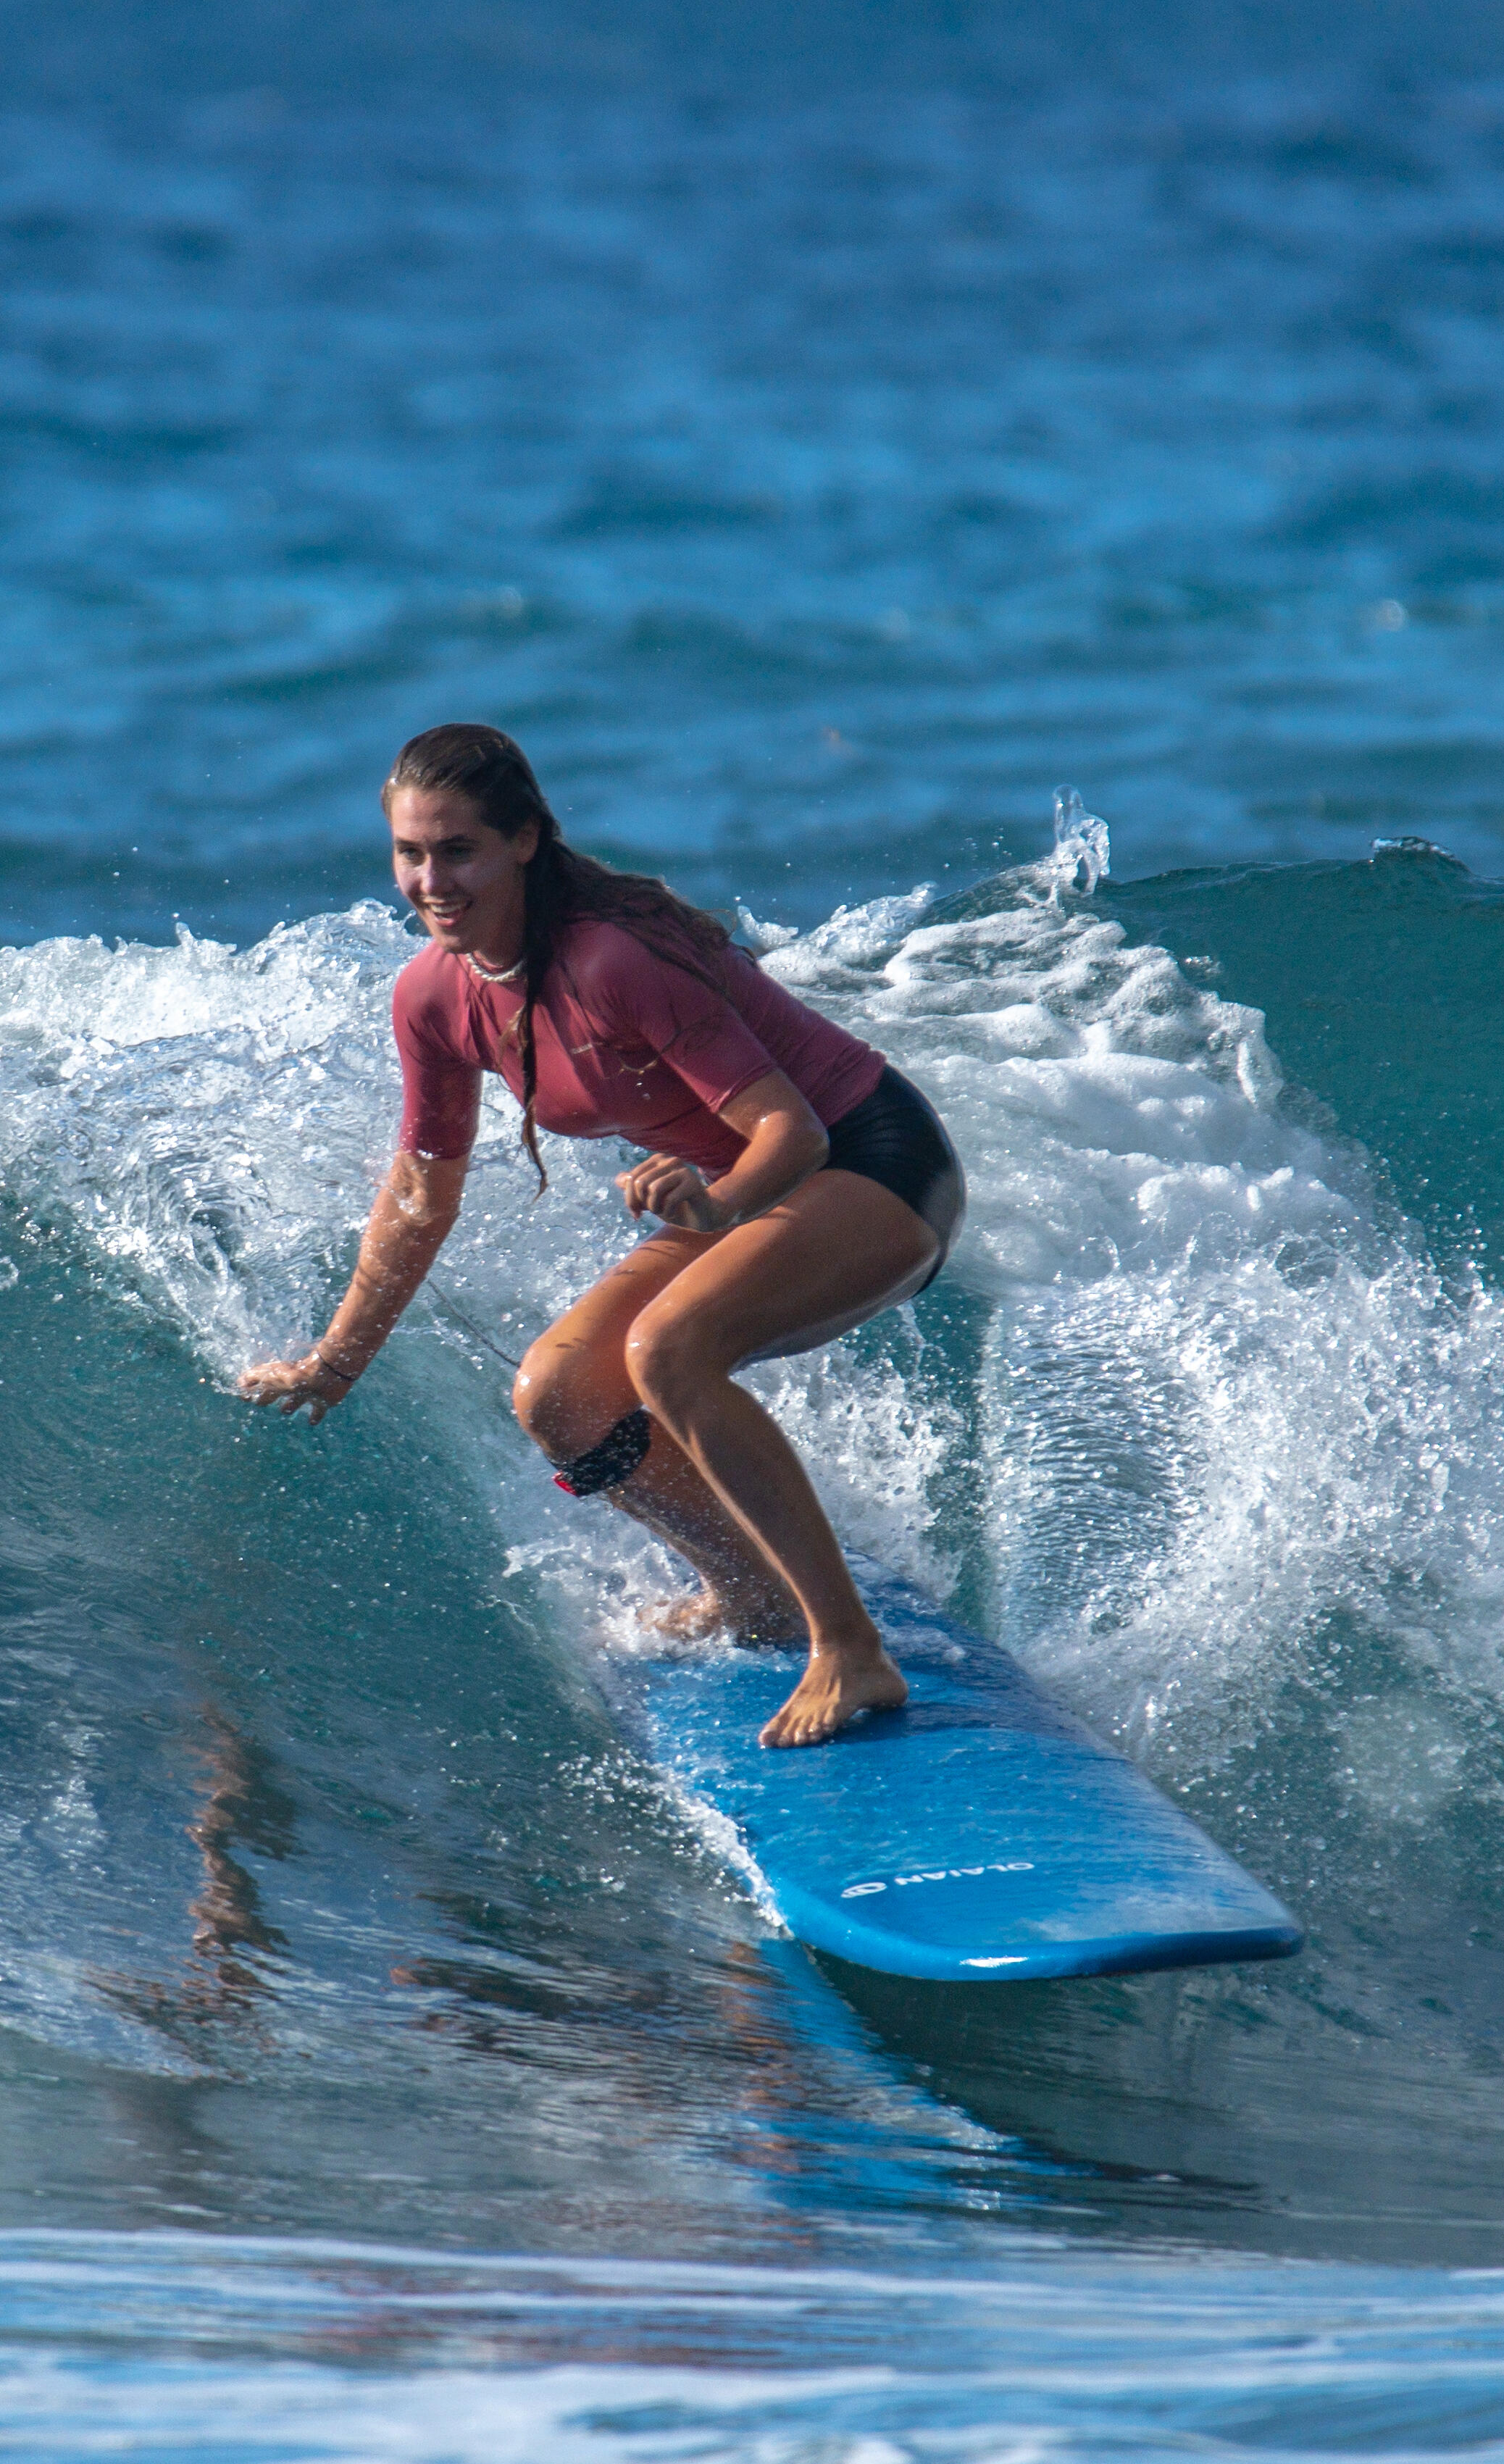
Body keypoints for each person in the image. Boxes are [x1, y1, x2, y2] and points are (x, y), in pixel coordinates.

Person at [237, 723, 967, 1748]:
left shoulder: (612, 960)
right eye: (410, 853)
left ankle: (849, 1649)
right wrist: (336, 1359)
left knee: (668, 1349)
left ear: (525, 841)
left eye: (458, 851)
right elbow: (418, 1195)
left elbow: (789, 1129)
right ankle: (751, 1595)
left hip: (874, 1162)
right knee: (559, 1395)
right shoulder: (435, 999)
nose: (431, 880)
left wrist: (714, 1207)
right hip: (750, 1192)